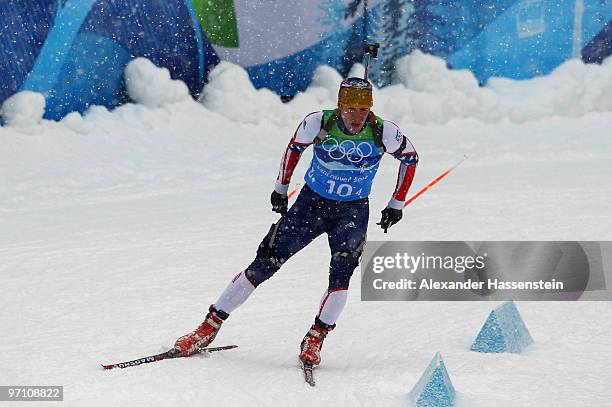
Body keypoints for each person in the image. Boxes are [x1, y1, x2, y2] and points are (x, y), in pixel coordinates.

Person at [174, 77, 419, 366]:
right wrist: (281, 188)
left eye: (363, 111)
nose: (356, 117)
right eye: (350, 110)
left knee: (341, 277)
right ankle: (209, 326)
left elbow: (410, 158)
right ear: (340, 106)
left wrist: (396, 204)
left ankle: (316, 337)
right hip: (311, 206)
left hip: (351, 213)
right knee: (264, 264)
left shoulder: (383, 131)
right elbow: (294, 149)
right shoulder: (319, 122)